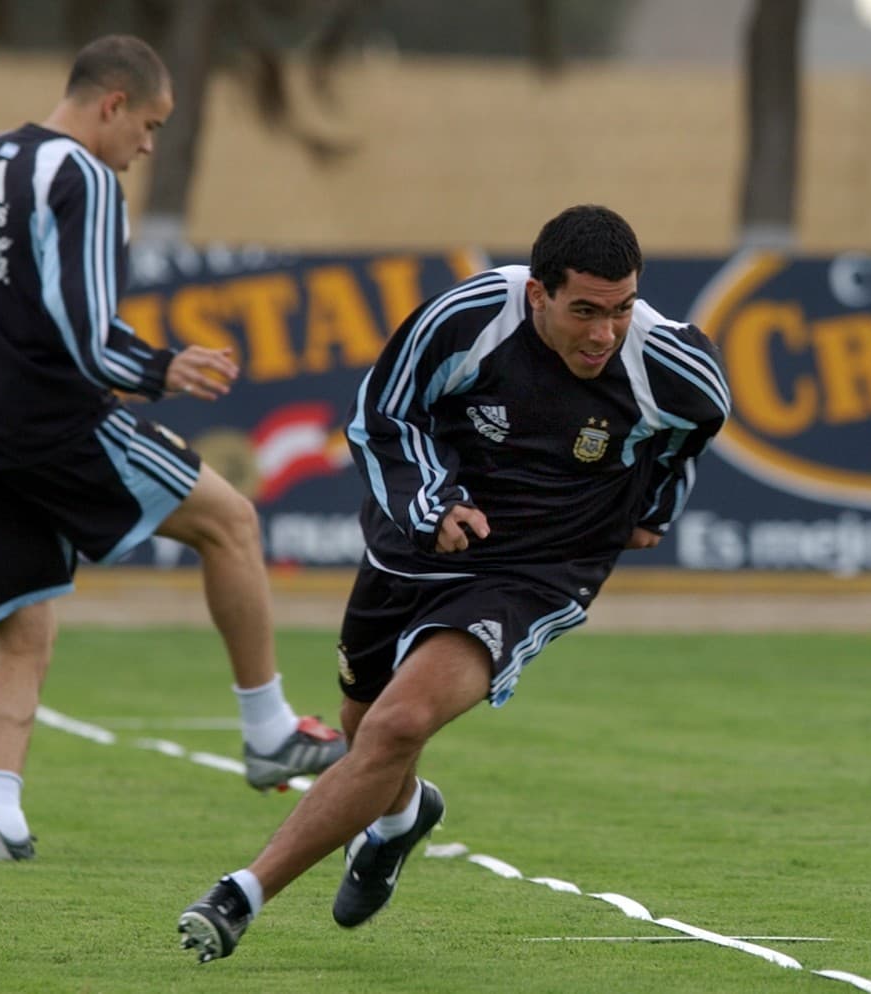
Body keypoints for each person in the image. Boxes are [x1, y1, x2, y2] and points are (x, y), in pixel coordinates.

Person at [175, 204, 731, 961]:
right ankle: (402, 817)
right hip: (414, 545)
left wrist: (653, 509)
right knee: (362, 724)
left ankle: (241, 894)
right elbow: (380, 417)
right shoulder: (468, 318)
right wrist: (433, 503)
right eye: (585, 311)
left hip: (538, 570)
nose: (605, 333)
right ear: (538, 294)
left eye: (622, 308)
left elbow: (695, 426)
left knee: (397, 726)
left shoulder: (671, 362)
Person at [0, 35, 345, 863]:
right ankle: (270, 732)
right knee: (231, 522)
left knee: (24, 623)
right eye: (149, 125)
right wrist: (161, 367)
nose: (147, 147)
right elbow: (85, 331)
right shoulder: (85, 176)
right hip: (39, 421)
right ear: (112, 104)